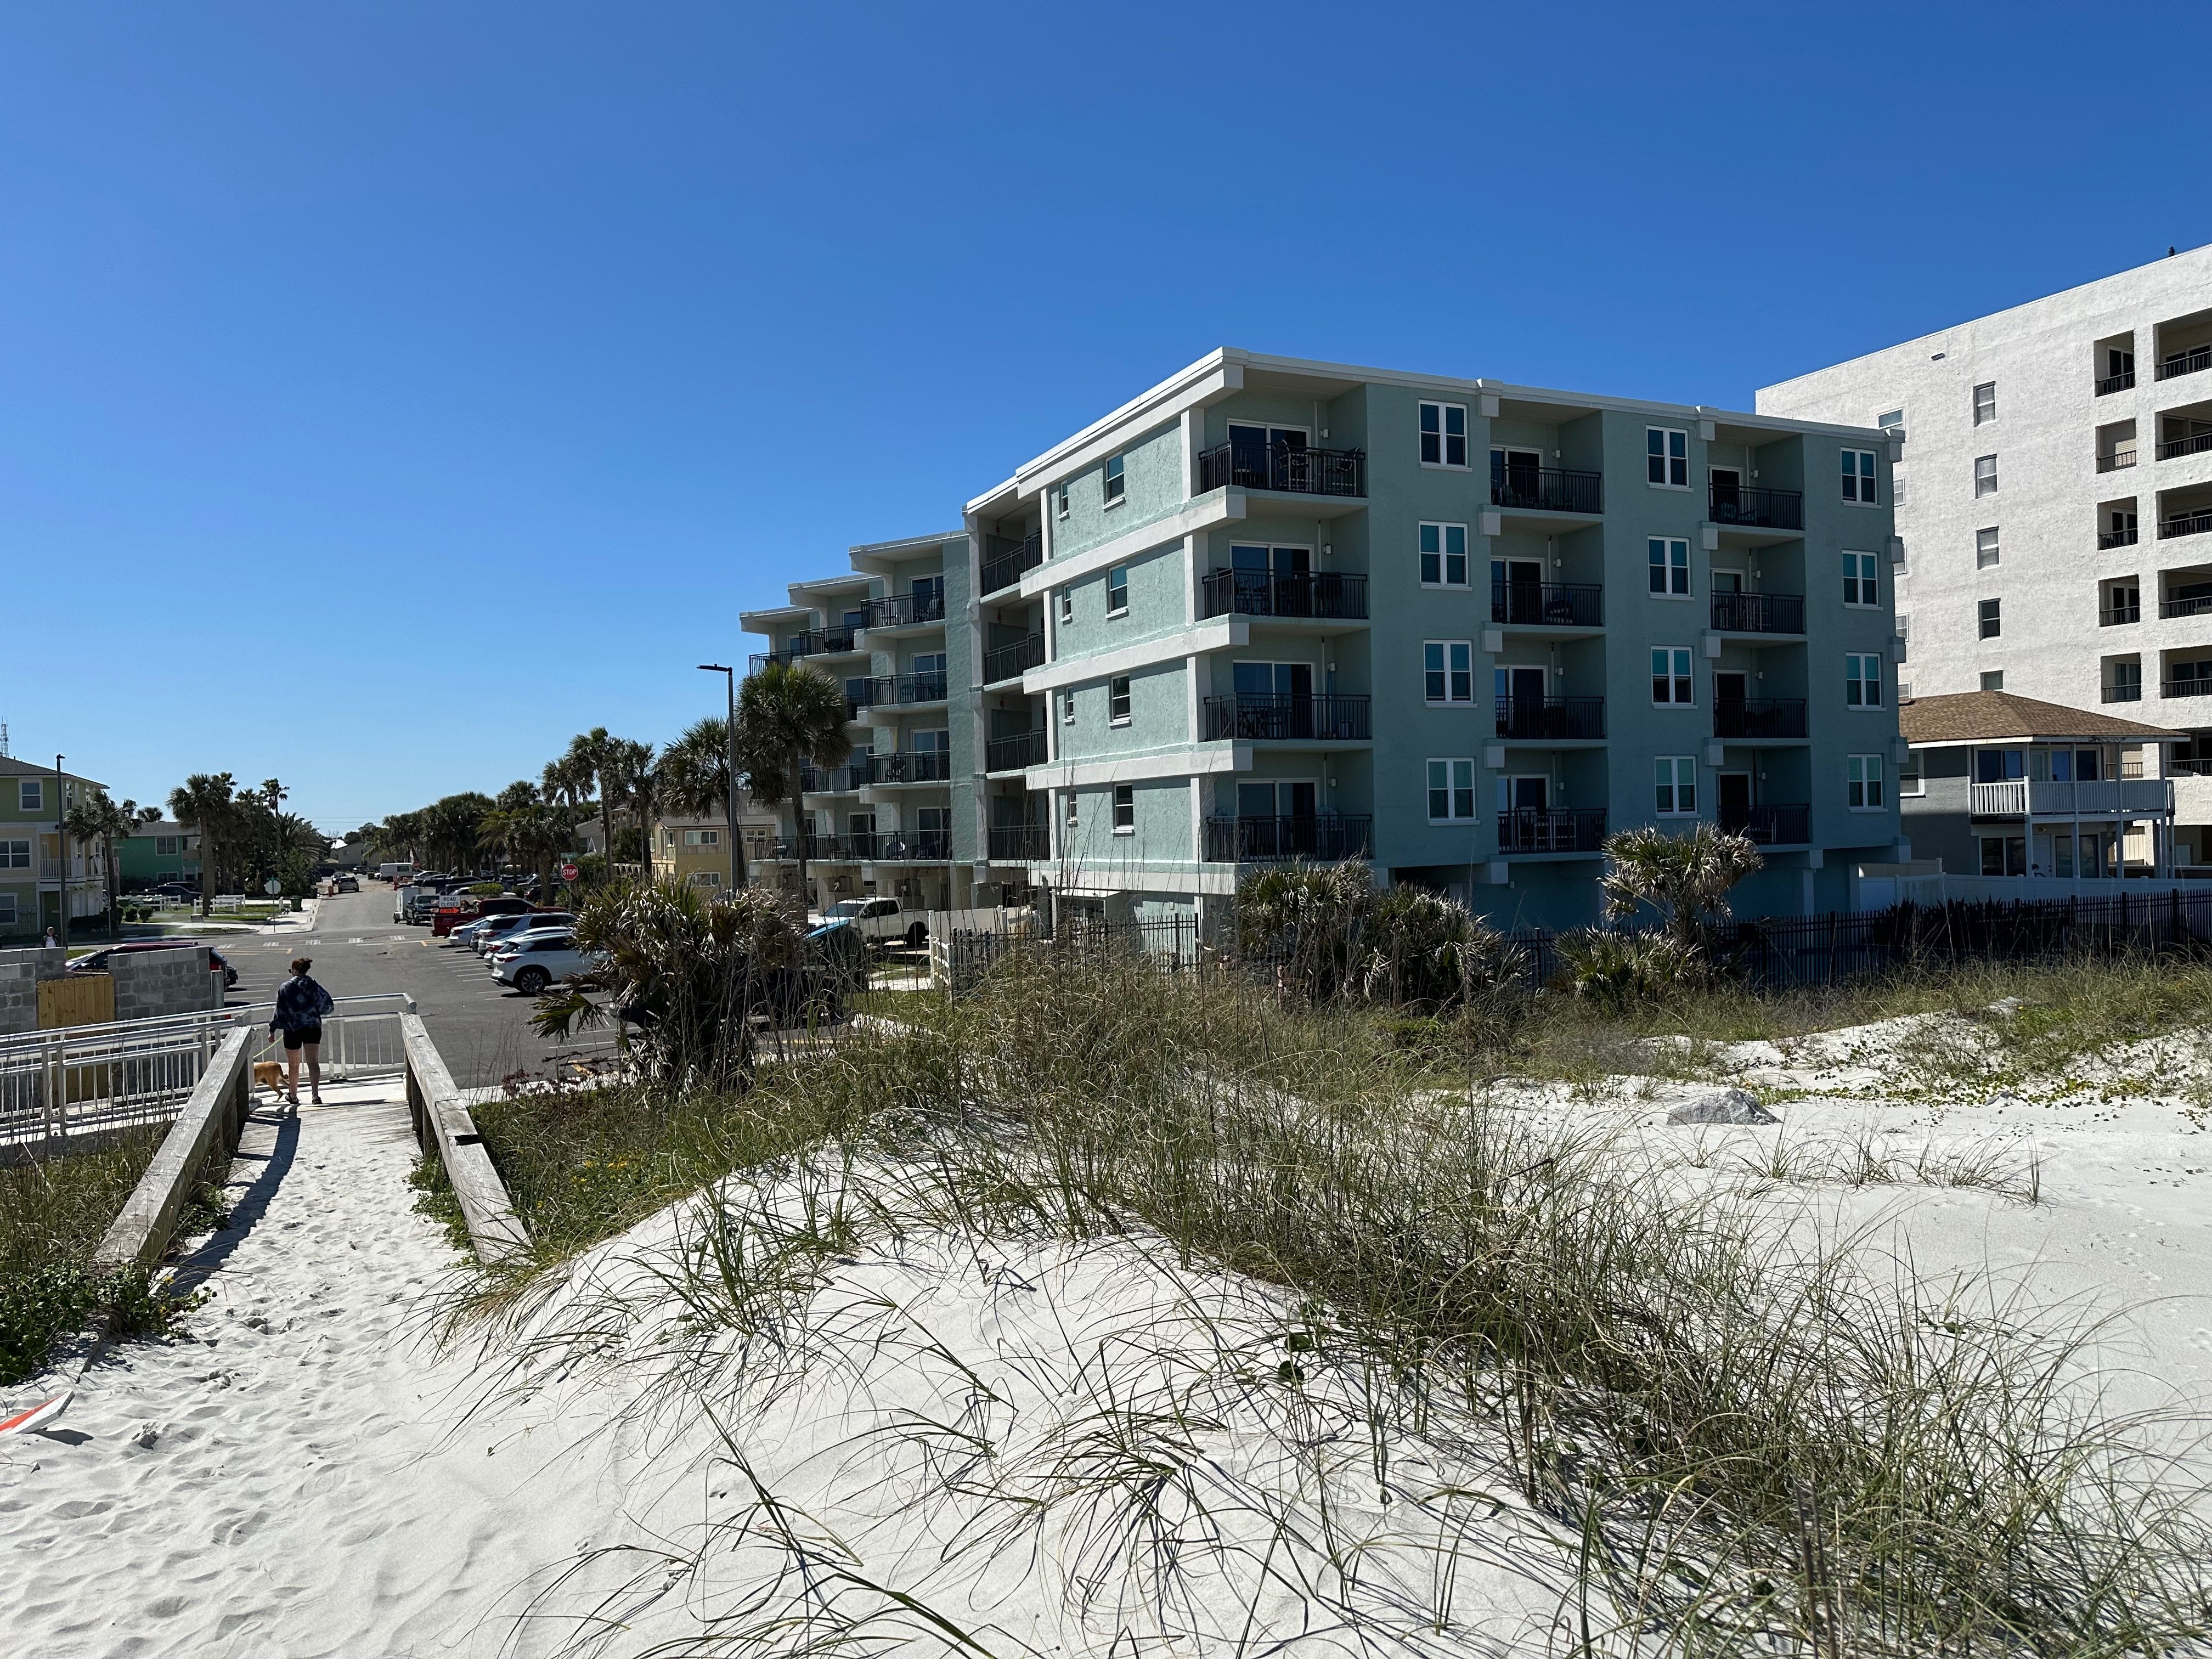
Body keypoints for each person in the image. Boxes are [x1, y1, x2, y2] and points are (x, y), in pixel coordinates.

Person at [270, 956, 335, 1108]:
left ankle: (293, 1095)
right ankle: (315, 1095)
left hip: (292, 1028)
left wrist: (272, 1029)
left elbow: (280, 1012)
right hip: (312, 1027)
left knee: (294, 1064)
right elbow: (328, 1006)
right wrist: (313, 1011)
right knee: (313, 1062)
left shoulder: (286, 987)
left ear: (294, 970)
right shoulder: (313, 986)